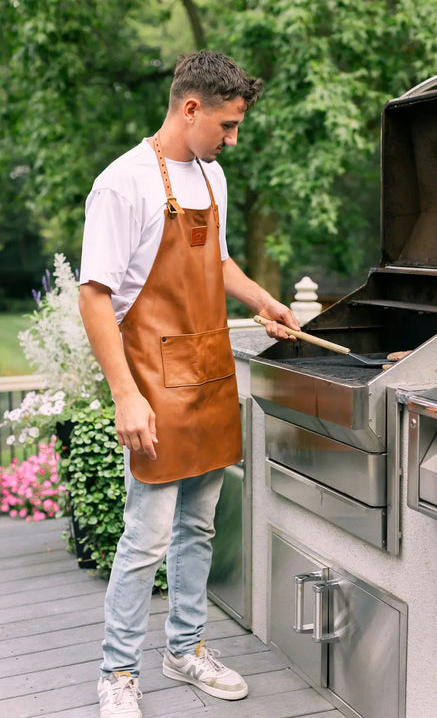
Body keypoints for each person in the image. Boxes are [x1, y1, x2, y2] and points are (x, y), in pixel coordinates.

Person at [78, 50, 300, 718]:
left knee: (198, 529)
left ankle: (184, 650)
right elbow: (94, 298)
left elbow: (220, 259)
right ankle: (117, 673)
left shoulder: (211, 179)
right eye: (227, 126)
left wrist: (264, 300)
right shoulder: (123, 183)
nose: (232, 140)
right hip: (150, 382)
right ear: (191, 106)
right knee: (144, 538)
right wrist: (125, 395)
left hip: (207, 377)